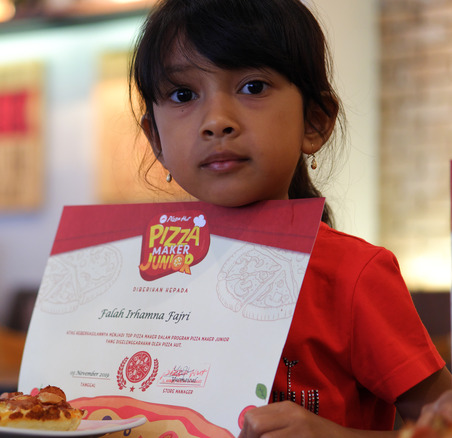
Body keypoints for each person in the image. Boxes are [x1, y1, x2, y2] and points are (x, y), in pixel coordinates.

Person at [130, 0, 452, 436]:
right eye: (183, 95)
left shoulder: (354, 276)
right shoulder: (132, 275)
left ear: (314, 122)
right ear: (156, 140)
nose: (217, 121)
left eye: (253, 87)